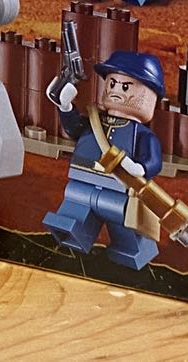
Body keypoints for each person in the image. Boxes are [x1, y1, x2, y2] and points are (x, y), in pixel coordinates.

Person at [42, 50, 165, 270]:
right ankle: (72, 241)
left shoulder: (141, 134)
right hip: (82, 182)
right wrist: (66, 106)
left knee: (124, 227)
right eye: (112, 84)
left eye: (125, 87)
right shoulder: (94, 120)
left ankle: (131, 255)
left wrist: (140, 168)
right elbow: (75, 129)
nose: (115, 90)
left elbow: (153, 159)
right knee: (73, 216)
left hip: (119, 191)